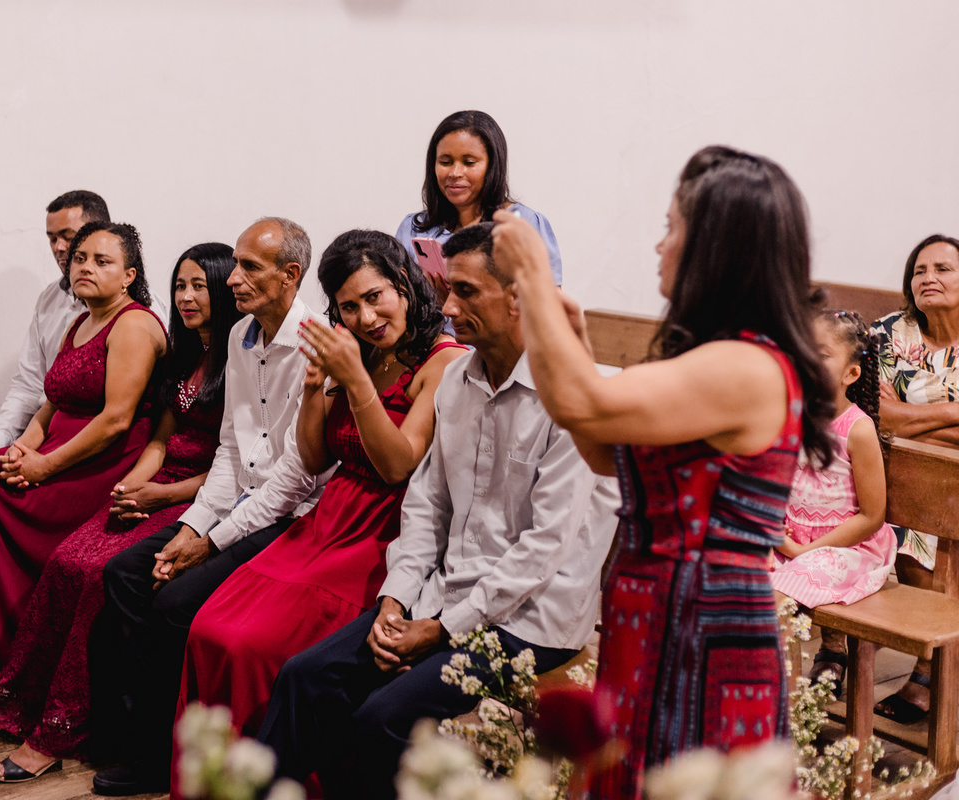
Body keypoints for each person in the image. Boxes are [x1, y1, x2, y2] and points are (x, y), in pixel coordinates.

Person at [490, 145, 836, 800]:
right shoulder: (709, 360)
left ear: (716, 246)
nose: (658, 245)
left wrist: (533, 271)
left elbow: (579, 403)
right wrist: (568, 342)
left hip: (706, 619)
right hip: (653, 609)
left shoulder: (745, 366)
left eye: (671, 226)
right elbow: (599, 448)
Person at [257, 222, 620, 800]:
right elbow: (426, 508)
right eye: (449, 289)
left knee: (382, 717)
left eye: (468, 292)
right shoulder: (461, 381)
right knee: (306, 677)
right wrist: (395, 600)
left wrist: (439, 629)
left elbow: (544, 550)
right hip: (444, 596)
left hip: (530, 620)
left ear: (519, 298)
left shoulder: (571, 395)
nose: (448, 306)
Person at [0, 243, 239, 783]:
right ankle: (11, 702)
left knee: (96, 573)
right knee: (65, 560)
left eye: (199, 287)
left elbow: (235, 465)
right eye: (180, 286)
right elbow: (160, 438)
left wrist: (161, 497)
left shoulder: (241, 358)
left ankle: (58, 729)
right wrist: (133, 486)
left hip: (201, 496)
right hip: (157, 483)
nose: (186, 297)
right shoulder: (188, 355)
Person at [172, 229, 465, 789]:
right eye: (350, 306)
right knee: (210, 626)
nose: (367, 317)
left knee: (255, 644)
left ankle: (277, 781)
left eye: (376, 296)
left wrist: (355, 382)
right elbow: (310, 456)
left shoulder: (443, 362)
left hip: (387, 530)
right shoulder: (360, 352)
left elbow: (398, 465)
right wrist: (315, 386)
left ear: (405, 284)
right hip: (330, 517)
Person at [91, 218, 329, 798]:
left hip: (287, 515)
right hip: (235, 501)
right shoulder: (241, 334)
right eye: (238, 264)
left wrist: (211, 541)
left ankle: (166, 758)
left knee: (174, 602)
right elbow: (230, 448)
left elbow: (295, 480)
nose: (235, 278)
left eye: (250, 267)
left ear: (290, 276)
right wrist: (194, 523)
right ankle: (136, 737)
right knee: (125, 572)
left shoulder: (315, 342)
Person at [0, 221, 168, 713]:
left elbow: (115, 421)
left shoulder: (134, 324)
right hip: (52, 453)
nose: (84, 266)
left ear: (129, 275)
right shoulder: (79, 320)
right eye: (80, 257)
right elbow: (50, 402)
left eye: (101, 261)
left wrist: (44, 467)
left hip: (99, 466)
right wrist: (20, 448)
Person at [0, 191, 111, 471]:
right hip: (41, 424)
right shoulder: (50, 299)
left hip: (86, 435)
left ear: (100, 235)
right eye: (52, 238)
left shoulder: (137, 312)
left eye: (68, 235)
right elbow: (29, 385)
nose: (59, 247)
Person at [770, 310, 895, 695]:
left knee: (777, 598)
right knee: (731, 571)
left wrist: (804, 549)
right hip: (790, 536)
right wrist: (776, 532)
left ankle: (780, 706)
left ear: (851, 375)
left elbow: (873, 516)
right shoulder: (788, 416)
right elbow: (771, 482)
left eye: (819, 354)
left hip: (847, 547)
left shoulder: (857, 429)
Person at [869, 233, 959, 723]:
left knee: (937, 513)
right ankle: (841, 648)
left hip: (949, 481)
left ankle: (932, 664)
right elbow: (873, 415)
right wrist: (952, 414)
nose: (928, 278)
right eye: (920, 270)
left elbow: (895, 417)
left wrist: (908, 416)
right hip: (891, 470)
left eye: (943, 269)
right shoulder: (888, 333)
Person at [394, 110, 563, 294]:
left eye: (469, 162)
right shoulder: (412, 228)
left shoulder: (522, 223)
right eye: (445, 162)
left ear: (491, 167)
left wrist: (458, 301)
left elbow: (548, 306)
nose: (455, 173)